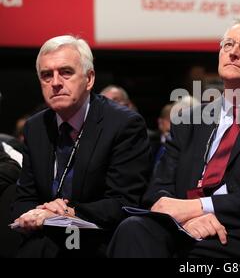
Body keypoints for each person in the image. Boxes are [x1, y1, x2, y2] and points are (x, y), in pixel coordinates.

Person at [108, 19, 240, 258]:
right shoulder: (188, 119)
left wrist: (199, 208)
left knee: (195, 254)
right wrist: (182, 219)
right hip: (183, 227)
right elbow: (158, 189)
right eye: (227, 45)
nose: (233, 52)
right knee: (132, 229)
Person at [12, 35, 151, 257]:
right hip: (45, 235)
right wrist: (40, 212)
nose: (55, 82)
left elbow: (124, 202)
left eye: (66, 72)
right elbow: (23, 198)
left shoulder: (124, 124)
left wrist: (67, 212)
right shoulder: (35, 127)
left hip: (98, 237)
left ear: (89, 79)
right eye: (46, 75)